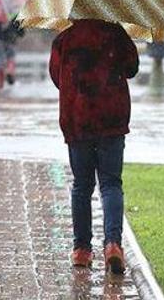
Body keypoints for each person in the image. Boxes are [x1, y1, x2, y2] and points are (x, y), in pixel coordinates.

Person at [49, 19, 139, 275]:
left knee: (82, 185)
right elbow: (132, 68)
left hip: (78, 120)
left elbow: (57, 77)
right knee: (111, 184)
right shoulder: (116, 34)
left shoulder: (64, 39)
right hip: (111, 118)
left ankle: (81, 250)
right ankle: (113, 244)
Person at [0, 18, 24, 90]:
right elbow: (21, 32)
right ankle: (10, 71)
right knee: (11, 58)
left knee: (0, 60)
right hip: (11, 39)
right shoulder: (15, 14)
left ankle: (0, 84)